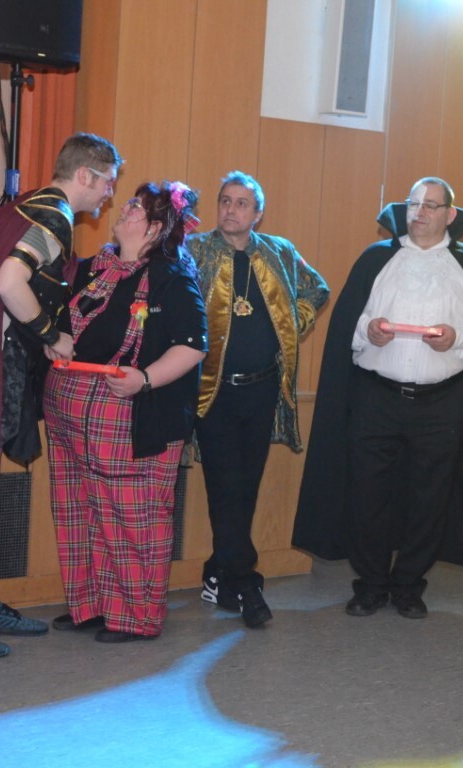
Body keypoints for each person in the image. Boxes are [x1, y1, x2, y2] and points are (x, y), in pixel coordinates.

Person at [0, 133, 123, 658]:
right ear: (85, 175)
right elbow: (10, 281)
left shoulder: (30, 203)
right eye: (107, 183)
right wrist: (51, 334)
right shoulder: (53, 215)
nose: (108, 194)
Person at [293, 177, 463, 619]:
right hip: (377, 398)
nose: (420, 212)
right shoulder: (377, 259)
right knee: (366, 494)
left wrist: (456, 338)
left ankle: (409, 584)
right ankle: (371, 584)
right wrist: (369, 330)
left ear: (450, 215)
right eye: (414, 204)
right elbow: (349, 326)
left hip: (442, 403)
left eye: (431, 205)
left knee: (430, 498)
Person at [44, 181, 206, 642]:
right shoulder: (94, 268)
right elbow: (64, 325)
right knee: (80, 511)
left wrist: (145, 379)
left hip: (130, 416)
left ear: (154, 228)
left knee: (131, 519)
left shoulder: (172, 278)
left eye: (136, 207)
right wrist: (54, 343)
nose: (125, 208)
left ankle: (135, 616)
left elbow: (193, 346)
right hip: (72, 411)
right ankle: (92, 606)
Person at [187, 171, 329, 628]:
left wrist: (293, 320)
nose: (231, 209)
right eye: (225, 201)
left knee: (244, 487)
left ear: (258, 213)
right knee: (223, 486)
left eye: (241, 203)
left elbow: (318, 289)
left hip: (264, 390)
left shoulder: (279, 251)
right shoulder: (194, 251)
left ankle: (218, 572)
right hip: (213, 394)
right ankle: (246, 583)